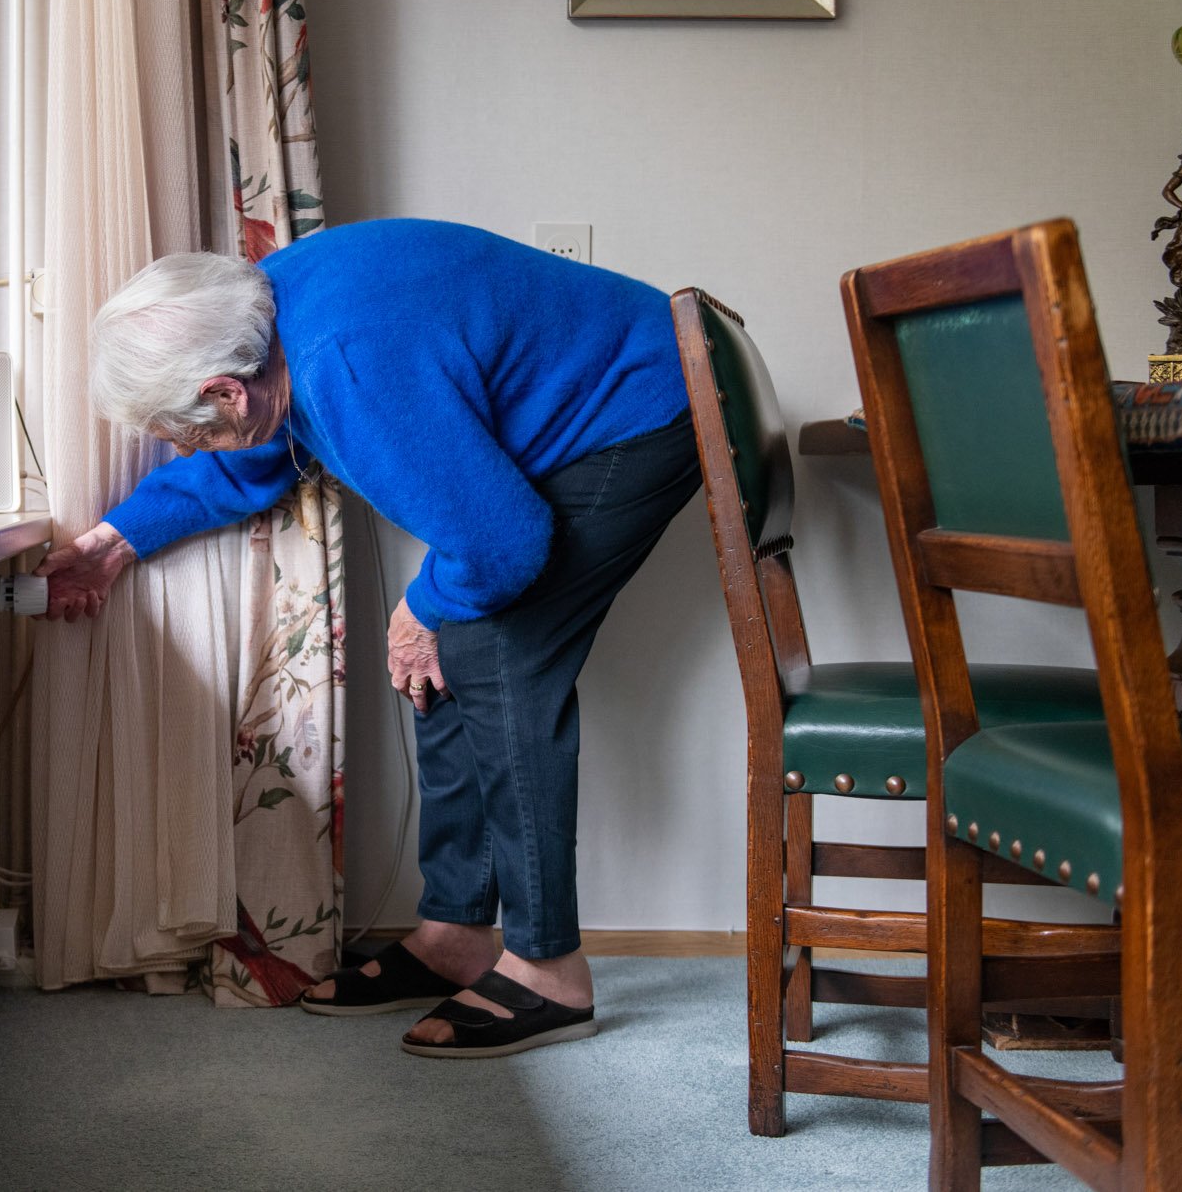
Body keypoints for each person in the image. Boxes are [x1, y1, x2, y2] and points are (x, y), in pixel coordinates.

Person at [37, 218, 698, 1058]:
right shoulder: (267, 310)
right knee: (447, 649)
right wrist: (117, 541)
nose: (184, 447)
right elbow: (257, 457)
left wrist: (423, 606)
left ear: (225, 391)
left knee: (492, 653)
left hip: (649, 402)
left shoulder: (340, 363)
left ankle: (549, 972)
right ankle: (458, 932)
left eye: (186, 431)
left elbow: (506, 543)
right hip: (623, 384)